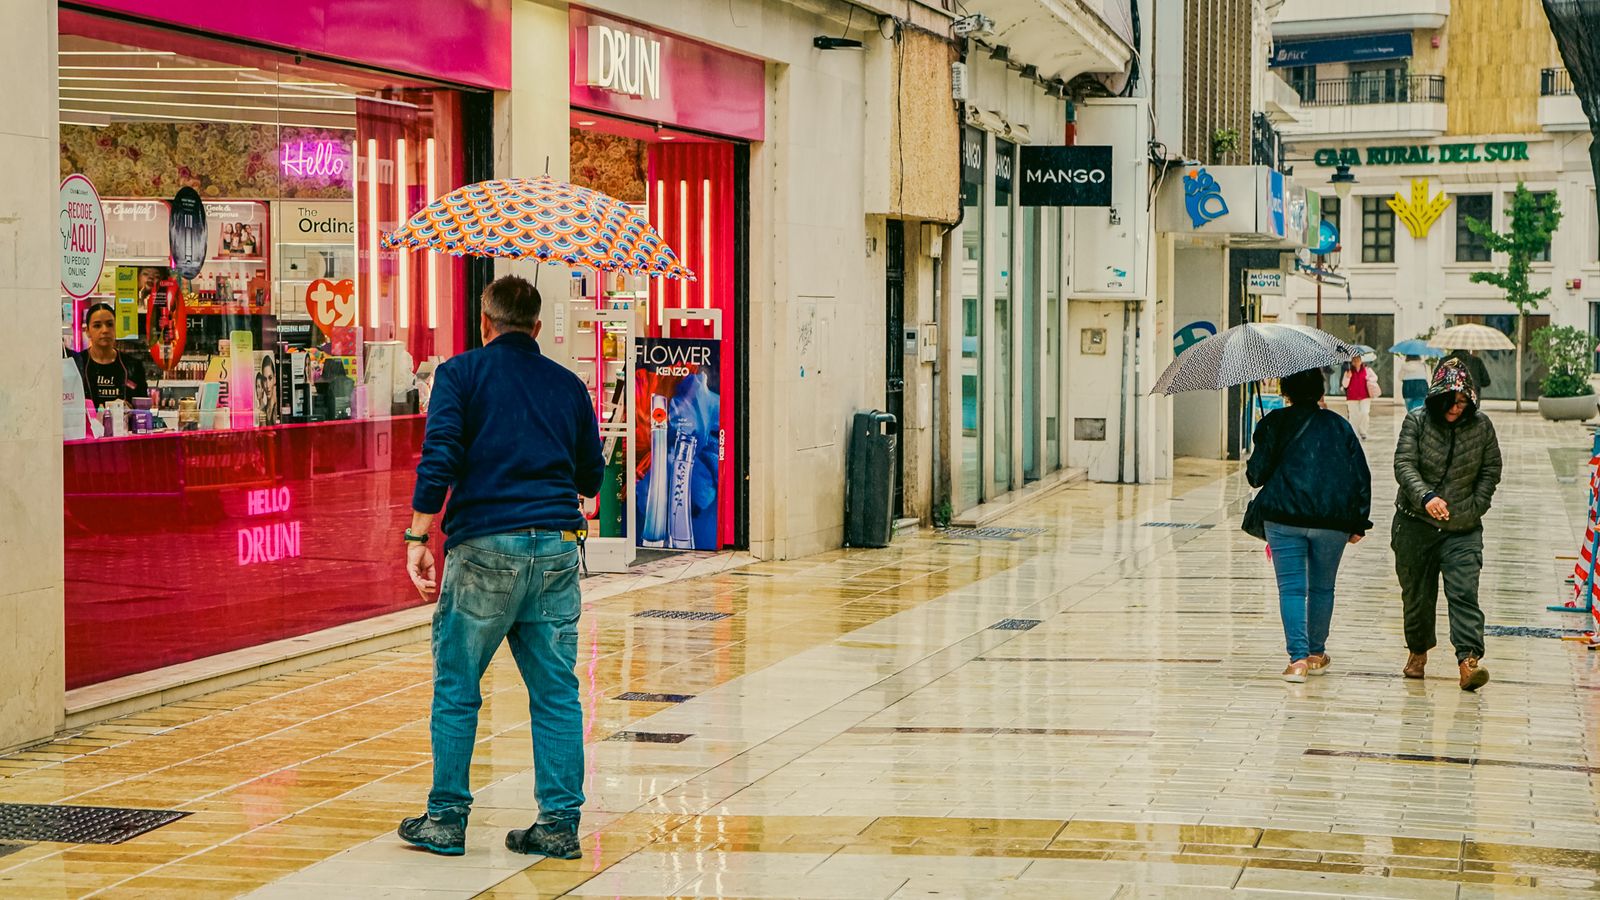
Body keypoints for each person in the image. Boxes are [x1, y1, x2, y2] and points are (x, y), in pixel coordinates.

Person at [399, 275, 605, 859]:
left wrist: (418, 534)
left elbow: (438, 458)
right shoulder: (569, 386)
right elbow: (591, 476)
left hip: (484, 549)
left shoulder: (459, 374)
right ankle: (558, 825)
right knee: (557, 691)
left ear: (484, 323)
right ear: (537, 328)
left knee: (459, 684)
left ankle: (446, 819)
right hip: (557, 552)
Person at [1248, 368, 1372, 683]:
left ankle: (1298, 660)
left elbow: (1255, 476)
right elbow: (1360, 475)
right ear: (1320, 390)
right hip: (1332, 521)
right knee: (1322, 587)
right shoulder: (1338, 426)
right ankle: (1317, 653)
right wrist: (1360, 521)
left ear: (1285, 390)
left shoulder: (1273, 423)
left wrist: (1265, 436)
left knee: (1291, 589)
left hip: (1284, 517)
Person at [1392, 360, 1503, 691]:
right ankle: (1418, 652)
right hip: (1415, 524)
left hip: (1463, 528)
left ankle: (1468, 661)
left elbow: (1491, 469)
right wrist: (1425, 497)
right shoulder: (1416, 422)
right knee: (1417, 595)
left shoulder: (1482, 427)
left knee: (1464, 591)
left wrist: (1474, 507)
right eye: (1450, 402)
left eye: (1463, 403)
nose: (1456, 409)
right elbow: (1403, 463)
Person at [73, 302, 148, 410]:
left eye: (109, 324)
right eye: (97, 326)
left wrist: (130, 409)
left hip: (124, 426)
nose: (105, 330)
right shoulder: (77, 364)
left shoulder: (133, 366)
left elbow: (142, 411)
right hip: (86, 427)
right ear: (88, 331)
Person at [1340, 355, 1379, 439]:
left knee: (1365, 413)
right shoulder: (1348, 371)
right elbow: (1344, 385)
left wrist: (1368, 378)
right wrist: (1348, 377)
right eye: (1354, 360)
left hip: (1365, 396)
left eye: (1358, 360)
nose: (1356, 362)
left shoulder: (1367, 370)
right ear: (1352, 362)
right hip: (1352, 396)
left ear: (1361, 361)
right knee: (1353, 415)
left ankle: (1363, 431)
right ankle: (1354, 432)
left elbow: (1375, 377)